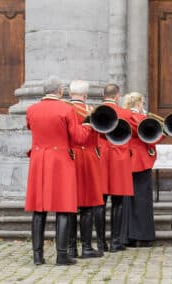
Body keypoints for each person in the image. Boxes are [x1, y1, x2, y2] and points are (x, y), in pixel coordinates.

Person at [25, 76, 93, 265]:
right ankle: (62, 255)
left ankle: (37, 255)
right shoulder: (66, 109)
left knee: (39, 209)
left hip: (39, 160)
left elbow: (31, 126)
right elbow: (78, 137)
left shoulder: (31, 109)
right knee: (63, 207)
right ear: (60, 91)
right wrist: (87, 124)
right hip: (61, 160)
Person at [94, 84, 134, 253]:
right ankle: (116, 242)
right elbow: (135, 131)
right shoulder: (125, 113)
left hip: (101, 158)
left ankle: (101, 243)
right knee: (118, 202)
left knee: (100, 202)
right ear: (117, 97)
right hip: (119, 160)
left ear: (104, 96)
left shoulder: (95, 112)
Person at [120, 92, 163, 247]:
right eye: (142, 103)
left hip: (125, 159)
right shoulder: (141, 118)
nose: (143, 106)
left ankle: (126, 237)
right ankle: (142, 236)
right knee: (142, 199)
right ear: (138, 103)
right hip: (140, 160)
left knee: (126, 200)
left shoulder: (122, 116)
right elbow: (155, 136)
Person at [67, 80, 104, 259]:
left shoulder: (64, 109)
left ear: (70, 93)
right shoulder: (91, 110)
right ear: (86, 95)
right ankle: (87, 247)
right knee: (87, 205)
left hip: (70, 158)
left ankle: (71, 248)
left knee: (71, 205)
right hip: (88, 158)